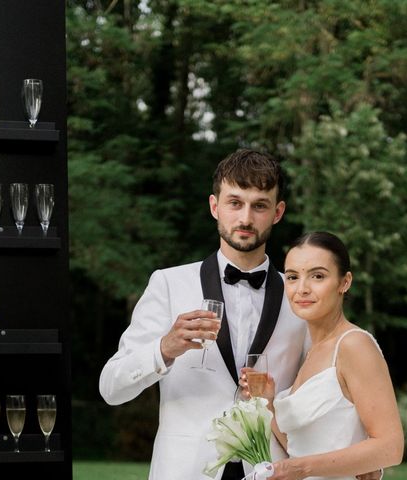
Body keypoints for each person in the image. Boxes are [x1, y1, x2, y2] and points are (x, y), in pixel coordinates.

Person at [99, 149, 308, 480]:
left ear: (278, 212)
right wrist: (164, 349)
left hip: (272, 470)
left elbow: (325, 389)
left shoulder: (301, 297)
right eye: (234, 203)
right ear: (215, 207)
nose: (246, 218)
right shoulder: (168, 284)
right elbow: (111, 388)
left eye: (260, 205)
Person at [240, 231, 404, 479]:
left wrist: (299, 468)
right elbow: (302, 446)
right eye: (293, 277)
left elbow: (390, 447)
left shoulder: (354, 345)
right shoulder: (311, 351)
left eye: (317, 276)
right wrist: (269, 404)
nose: (302, 289)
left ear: (344, 282)